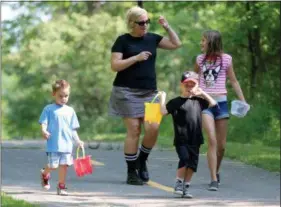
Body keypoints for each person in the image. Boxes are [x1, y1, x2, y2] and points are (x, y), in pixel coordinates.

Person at [109, 6, 181, 185]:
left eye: (147, 22)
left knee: (153, 127)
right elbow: (115, 65)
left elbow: (176, 44)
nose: (145, 25)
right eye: (142, 23)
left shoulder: (152, 38)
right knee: (134, 130)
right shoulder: (123, 41)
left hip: (150, 92)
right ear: (132, 24)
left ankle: (141, 160)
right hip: (126, 92)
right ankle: (131, 172)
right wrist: (136, 58)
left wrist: (167, 27)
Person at [194, 30, 247, 191]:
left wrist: (242, 100)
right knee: (212, 140)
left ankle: (216, 171)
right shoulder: (200, 59)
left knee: (222, 146)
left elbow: (234, 81)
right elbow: (193, 79)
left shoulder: (226, 59)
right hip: (204, 104)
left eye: (203, 40)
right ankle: (213, 179)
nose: (201, 43)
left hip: (221, 104)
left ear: (212, 42)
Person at [159, 71, 217, 198]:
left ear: (197, 85)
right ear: (182, 85)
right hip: (181, 138)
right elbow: (163, 112)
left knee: (192, 164)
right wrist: (162, 98)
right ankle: (179, 183)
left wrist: (202, 92)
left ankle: (186, 186)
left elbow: (213, 103)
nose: (190, 86)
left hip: (195, 138)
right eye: (187, 84)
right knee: (184, 158)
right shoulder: (176, 102)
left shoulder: (199, 101)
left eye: (193, 83)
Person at [39, 80, 84, 196]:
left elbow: (73, 128)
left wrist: (78, 140)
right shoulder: (48, 109)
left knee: (64, 166)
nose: (64, 98)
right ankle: (45, 173)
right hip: (53, 144)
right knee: (53, 166)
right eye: (60, 96)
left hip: (67, 145)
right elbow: (43, 122)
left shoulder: (70, 111)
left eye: (66, 96)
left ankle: (61, 186)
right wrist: (44, 130)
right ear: (53, 94)